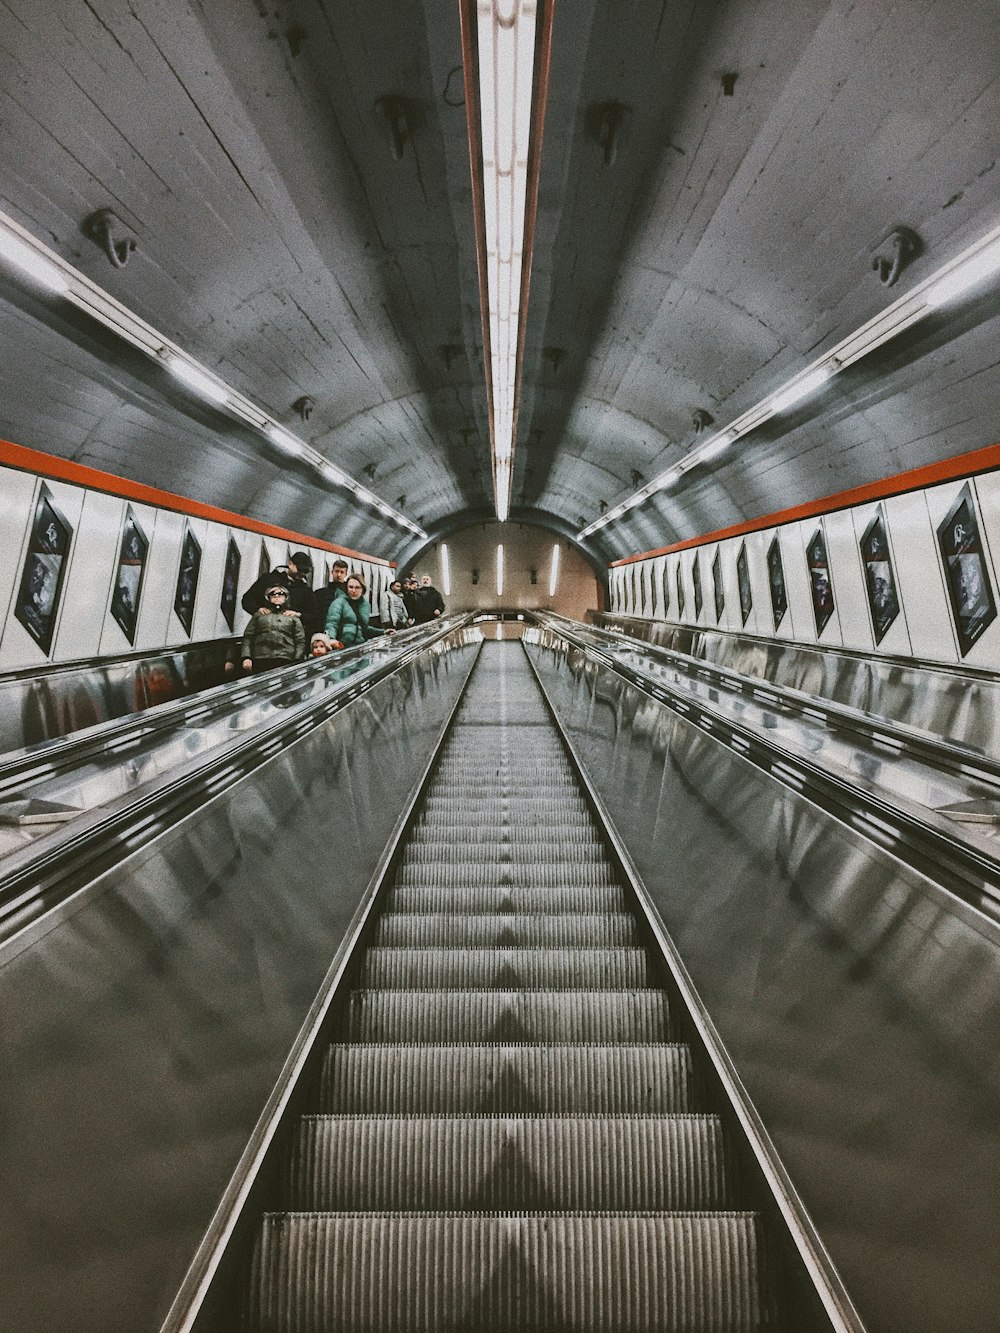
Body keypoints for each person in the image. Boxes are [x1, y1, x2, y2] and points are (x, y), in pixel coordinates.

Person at [241, 550, 319, 637]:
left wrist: (298, 615)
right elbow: (247, 600)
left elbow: (314, 615)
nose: (302, 573)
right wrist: (258, 609)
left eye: (306, 571)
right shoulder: (267, 580)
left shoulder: (306, 590)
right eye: (300, 569)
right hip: (263, 634)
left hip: (289, 638)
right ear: (290, 564)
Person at [241, 585, 305, 672]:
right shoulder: (259, 615)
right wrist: (246, 657)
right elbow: (248, 637)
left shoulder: (293, 617)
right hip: (260, 657)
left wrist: (297, 659)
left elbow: (300, 640)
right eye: (273, 594)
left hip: (285, 658)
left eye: (280, 594)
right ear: (268, 597)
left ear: (286, 597)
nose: (277, 596)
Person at [326, 574, 391, 647]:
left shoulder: (365, 605)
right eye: (350, 587)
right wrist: (331, 638)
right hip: (342, 646)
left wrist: (383, 632)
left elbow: (363, 628)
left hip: (360, 646)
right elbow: (332, 623)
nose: (353, 590)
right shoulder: (339, 603)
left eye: (357, 587)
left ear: (362, 589)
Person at [314, 557, 350, 625]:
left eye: (342, 572)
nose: (338, 575)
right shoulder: (320, 593)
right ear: (332, 572)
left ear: (346, 574)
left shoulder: (349, 594)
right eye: (336, 571)